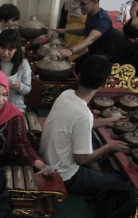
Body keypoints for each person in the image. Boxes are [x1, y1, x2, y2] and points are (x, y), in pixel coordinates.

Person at [39, 55, 130, 195]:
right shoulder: (84, 115)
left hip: (47, 158)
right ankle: (95, 167)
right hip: (65, 174)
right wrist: (108, 147)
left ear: (79, 75)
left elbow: (76, 123)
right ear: (104, 83)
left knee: (92, 136)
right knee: (122, 180)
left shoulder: (66, 94)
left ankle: (95, 167)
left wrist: (107, 121)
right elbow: (80, 159)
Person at [53, 0, 115, 72]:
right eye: (80, 3)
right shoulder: (91, 14)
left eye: (83, 4)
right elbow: (86, 31)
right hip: (93, 53)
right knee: (75, 66)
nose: (80, 7)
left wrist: (71, 50)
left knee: (83, 73)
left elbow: (91, 38)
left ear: (95, 2)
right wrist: (66, 30)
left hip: (103, 58)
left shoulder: (103, 20)